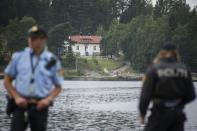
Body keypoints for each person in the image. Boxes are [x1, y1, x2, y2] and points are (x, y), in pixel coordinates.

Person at [3, 25, 63, 131]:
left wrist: (48, 100)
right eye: (30, 37)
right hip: (20, 105)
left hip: (40, 105)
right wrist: (16, 97)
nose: (31, 40)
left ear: (43, 40)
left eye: (35, 38)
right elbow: (7, 80)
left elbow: (58, 86)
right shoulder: (18, 57)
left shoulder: (52, 60)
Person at [139, 42, 196, 131]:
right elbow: (191, 95)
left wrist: (142, 114)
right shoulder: (184, 69)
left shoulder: (154, 69)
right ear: (176, 52)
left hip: (159, 113)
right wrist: (178, 104)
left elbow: (145, 96)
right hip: (177, 116)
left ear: (161, 52)